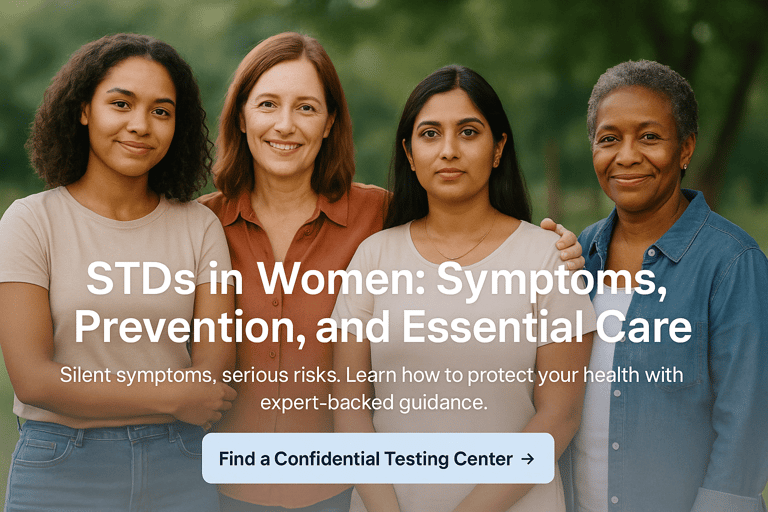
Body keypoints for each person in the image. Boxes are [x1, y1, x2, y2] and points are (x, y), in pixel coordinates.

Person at [201, 33, 584, 512]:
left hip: (339, 494)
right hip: (221, 491)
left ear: (329, 122)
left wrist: (562, 248)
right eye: (267, 104)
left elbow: (463, 233)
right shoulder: (200, 226)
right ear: (241, 115)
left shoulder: (376, 217)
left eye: (306, 107)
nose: (285, 124)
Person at [331, 65, 596, 512]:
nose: (449, 150)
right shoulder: (373, 256)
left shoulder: (548, 256)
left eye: (469, 132)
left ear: (498, 149)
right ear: (410, 154)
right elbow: (350, 410)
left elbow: (559, 416)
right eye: (430, 134)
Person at [0, 34, 236, 511]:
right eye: (121, 103)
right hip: (61, 467)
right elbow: (34, 381)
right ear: (84, 109)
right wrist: (172, 396)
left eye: (161, 111)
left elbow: (211, 381)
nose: (140, 125)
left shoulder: (200, 227)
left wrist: (179, 398)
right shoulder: (30, 221)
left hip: (182, 466)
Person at [562, 59, 768, 512]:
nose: (627, 155)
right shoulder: (580, 255)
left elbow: (747, 429)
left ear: (686, 148)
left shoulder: (733, 264)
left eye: (650, 137)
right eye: (609, 139)